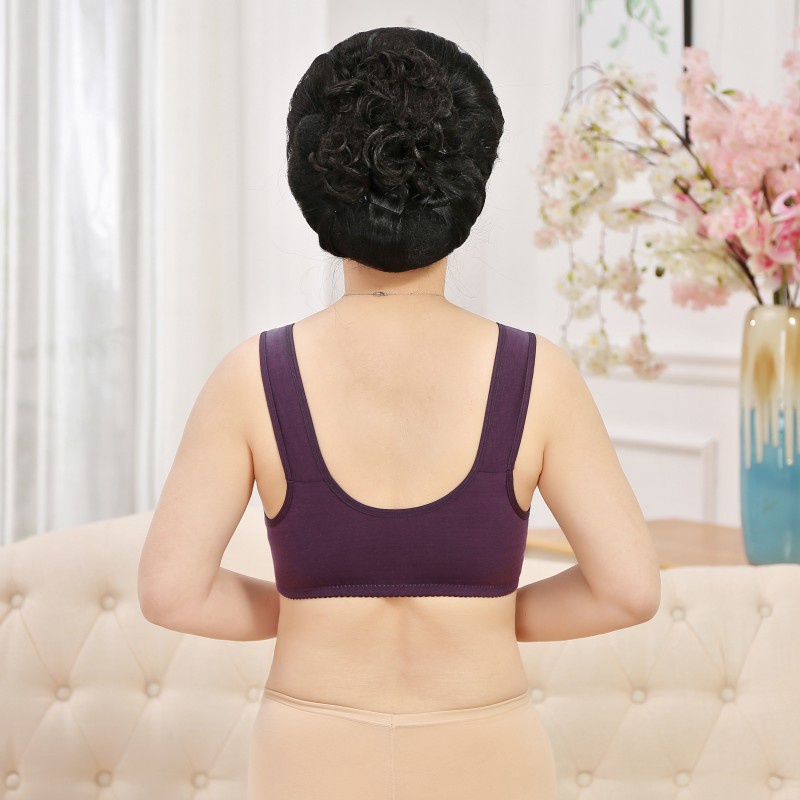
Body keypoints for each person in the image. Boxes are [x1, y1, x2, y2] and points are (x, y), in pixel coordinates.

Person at [138, 26, 662, 800]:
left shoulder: (252, 376)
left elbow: (171, 593)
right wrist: (488, 614)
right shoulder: (538, 376)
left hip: (309, 755)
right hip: (488, 753)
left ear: (317, 188)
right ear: (467, 187)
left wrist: (309, 609)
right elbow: (629, 590)